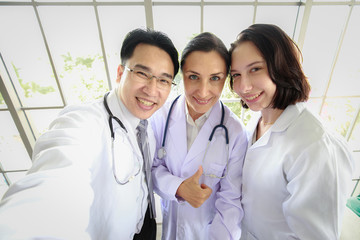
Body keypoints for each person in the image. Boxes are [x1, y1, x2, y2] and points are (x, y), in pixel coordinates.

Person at [0, 28, 179, 240]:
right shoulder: (84, 122)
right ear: (120, 73)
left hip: (144, 227)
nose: (151, 89)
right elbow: (57, 183)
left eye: (163, 80)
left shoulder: (147, 125)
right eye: (142, 73)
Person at [229, 23, 354, 240]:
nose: (244, 86)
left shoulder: (316, 146)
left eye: (255, 69)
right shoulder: (258, 121)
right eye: (236, 74)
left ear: (282, 66)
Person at [151, 32, 248, 240]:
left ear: (226, 79)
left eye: (215, 78)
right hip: (170, 231)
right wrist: (178, 187)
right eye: (193, 76)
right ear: (181, 74)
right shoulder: (160, 116)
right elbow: (151, 169)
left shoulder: (235, 132)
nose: (203, 92)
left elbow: (230, 202)